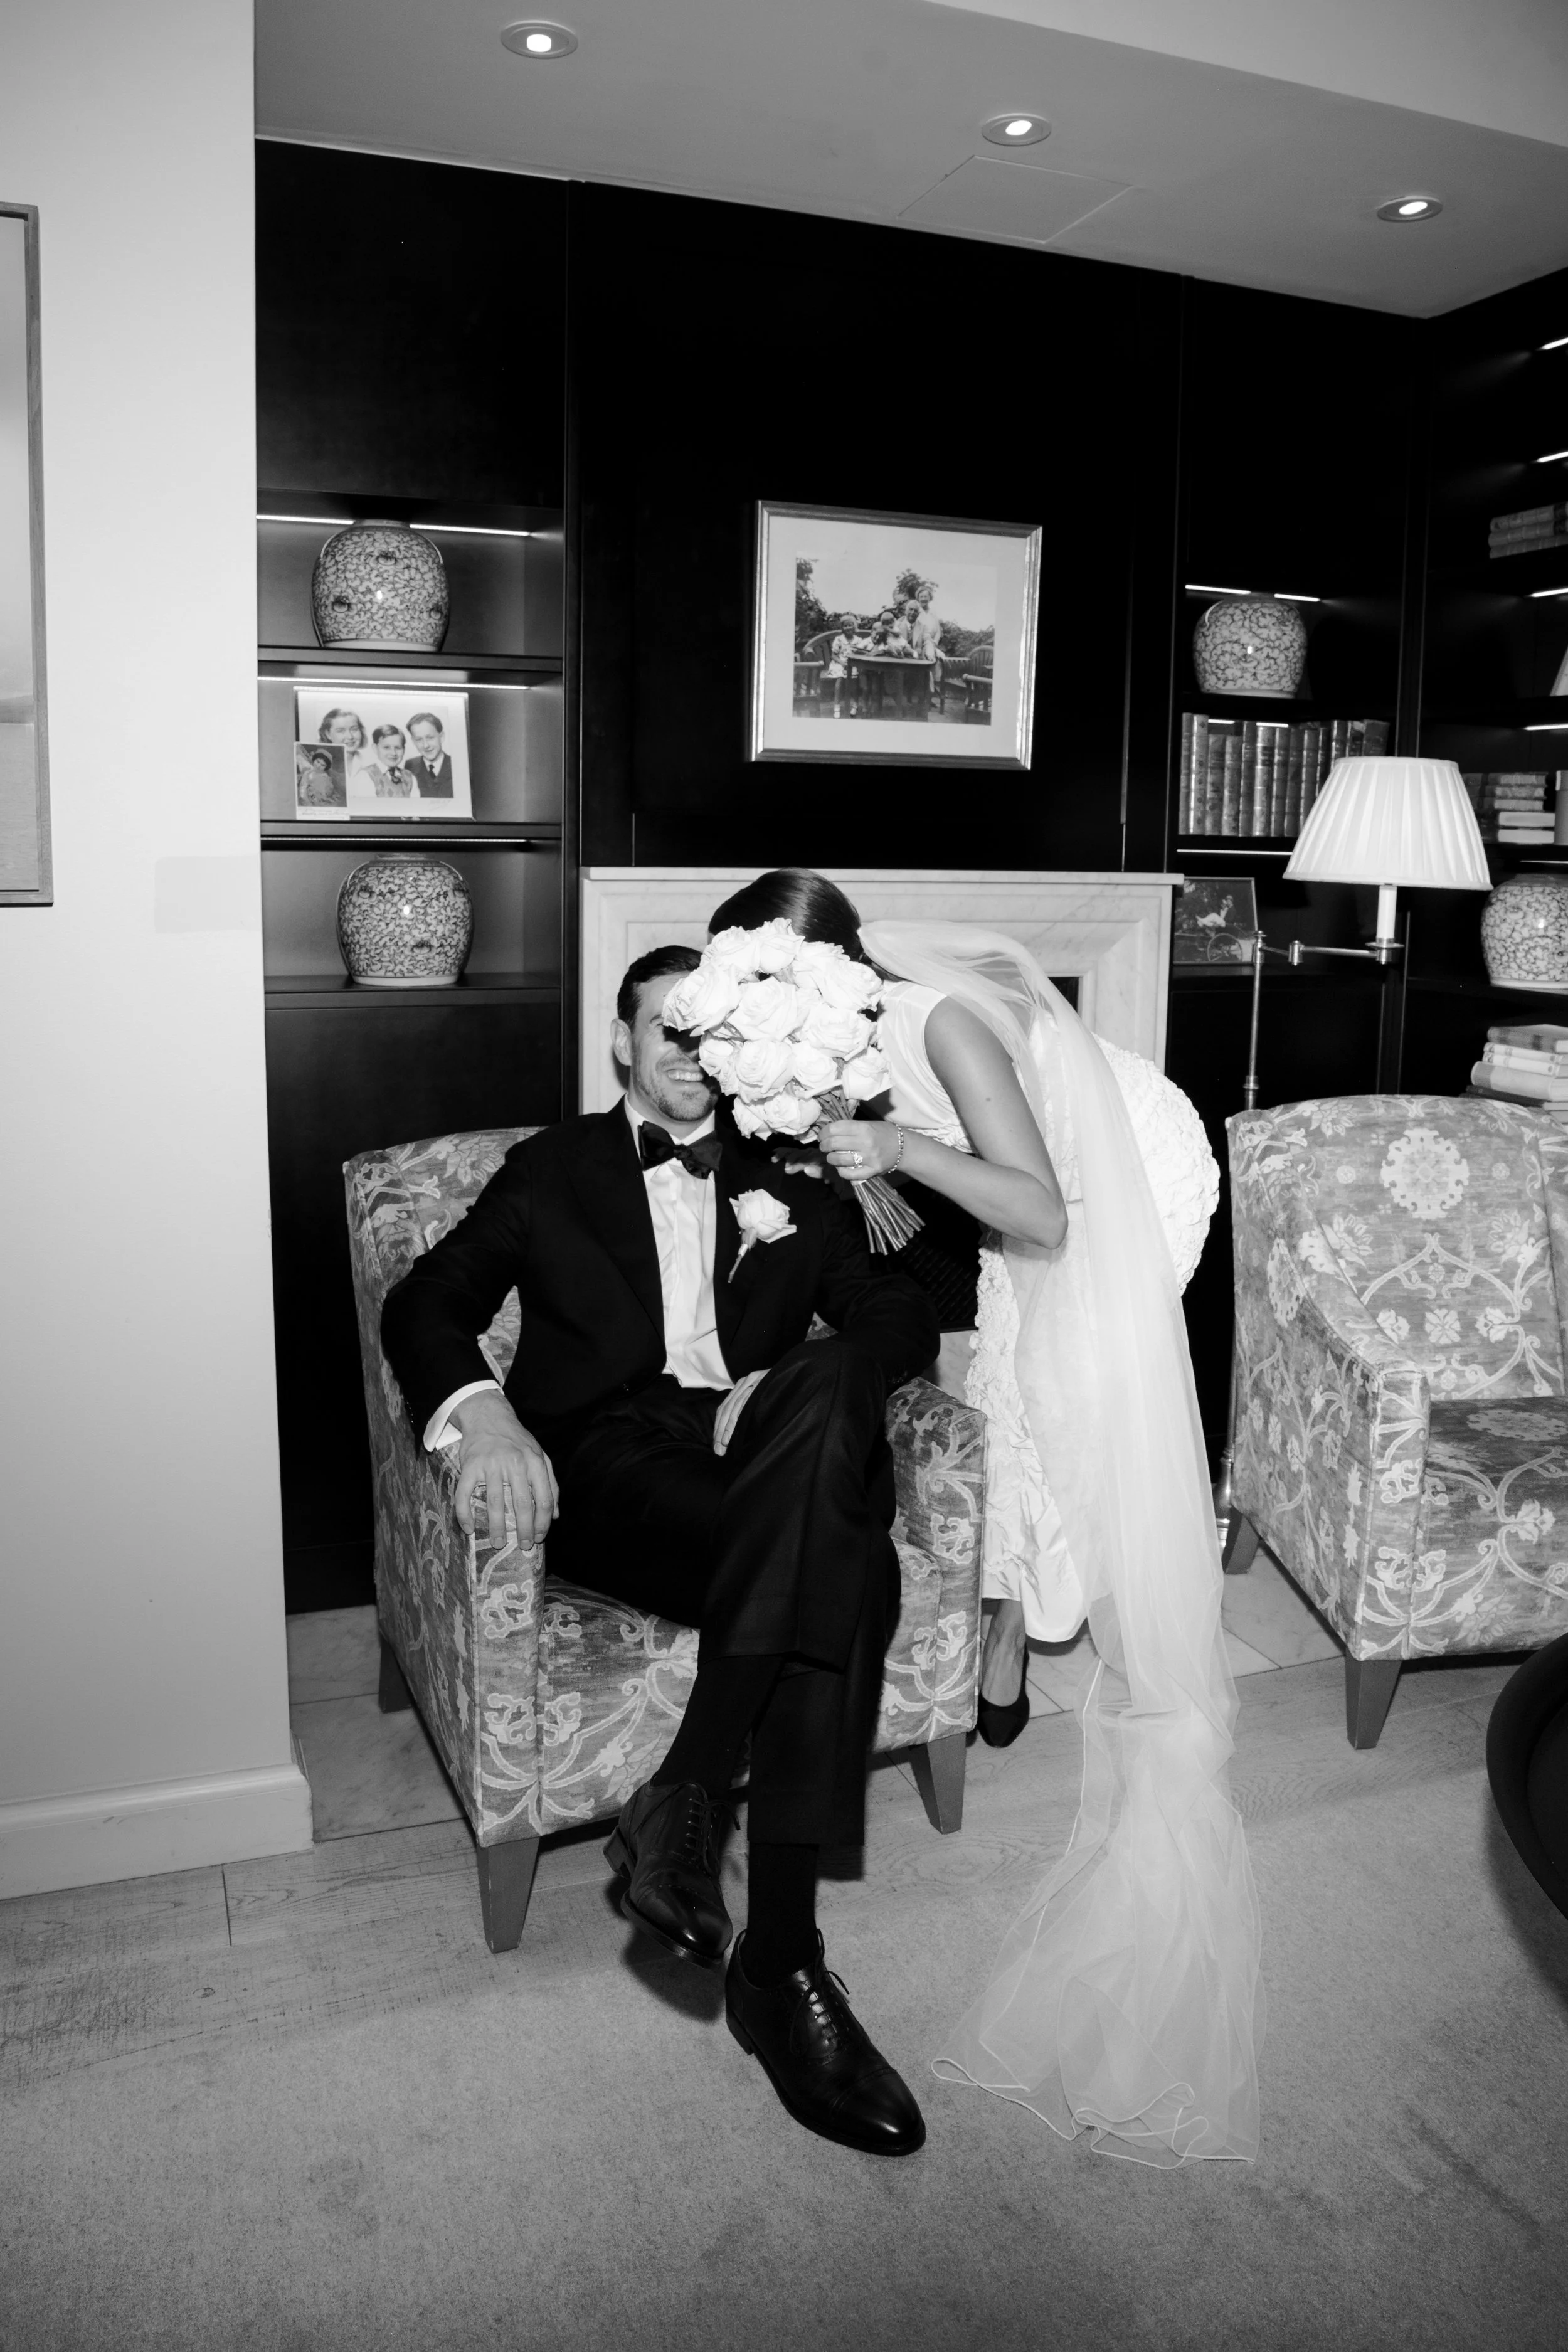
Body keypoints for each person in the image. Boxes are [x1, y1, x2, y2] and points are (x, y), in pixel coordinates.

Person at [706, 871, 1262, 2168]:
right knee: (1010, 1398)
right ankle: (1009, 1638)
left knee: (1081, 1411)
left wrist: (897, 1151)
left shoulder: (939, 1019)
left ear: (825, 980)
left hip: (1120, 1166)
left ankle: (1109, 1643)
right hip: (1023, 1167)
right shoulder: (815, 1054)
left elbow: (1043, 1212)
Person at [379, 945, 938, 2158]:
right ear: (622, 1042)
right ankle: (779, 1969)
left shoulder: (794, 1164)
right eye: (667, 1030)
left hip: (760, 1450)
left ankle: (694, 1823)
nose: (692, 1055)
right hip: (617, 1461)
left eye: (714, 1033)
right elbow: (426, 1300)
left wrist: (780, 1386)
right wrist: (483, 1417)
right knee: (858, 1566)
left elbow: (898, 1311)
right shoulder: (554, 1168)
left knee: (832, 1389)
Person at [406, 711, 456, 798]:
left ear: (442, 737)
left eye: (430, 738)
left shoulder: (456, 765)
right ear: (413, 741)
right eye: (419, 740)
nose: (426, 745)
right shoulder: (410, 766)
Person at [364, 723, 415, 798]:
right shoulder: (366, 775)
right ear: (375, 748)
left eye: (398, 748)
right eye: (387, 748)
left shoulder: (409, 777)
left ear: (404, 749)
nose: (394, 753)